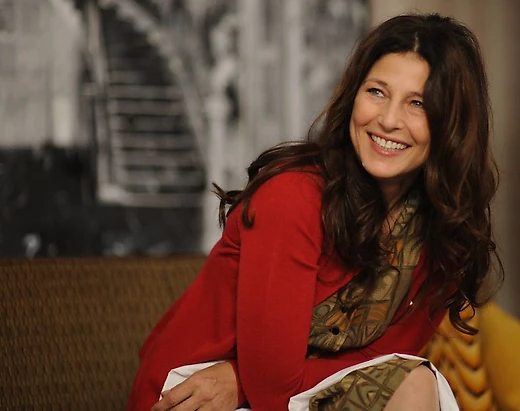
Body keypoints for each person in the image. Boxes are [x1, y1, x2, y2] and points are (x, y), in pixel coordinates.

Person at [127, 13, 501, 411]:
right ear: (353, 95)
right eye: (376, 92)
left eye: (418, 103)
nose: (389, 120)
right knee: (412, 382)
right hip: (193, 398)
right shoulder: (293, 196)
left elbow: (386, 361)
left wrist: (239, 377)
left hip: (281, 394)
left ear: (451, 125)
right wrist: (252, 377)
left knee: (414, 381)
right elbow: (273, 388)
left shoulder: (442, 228)